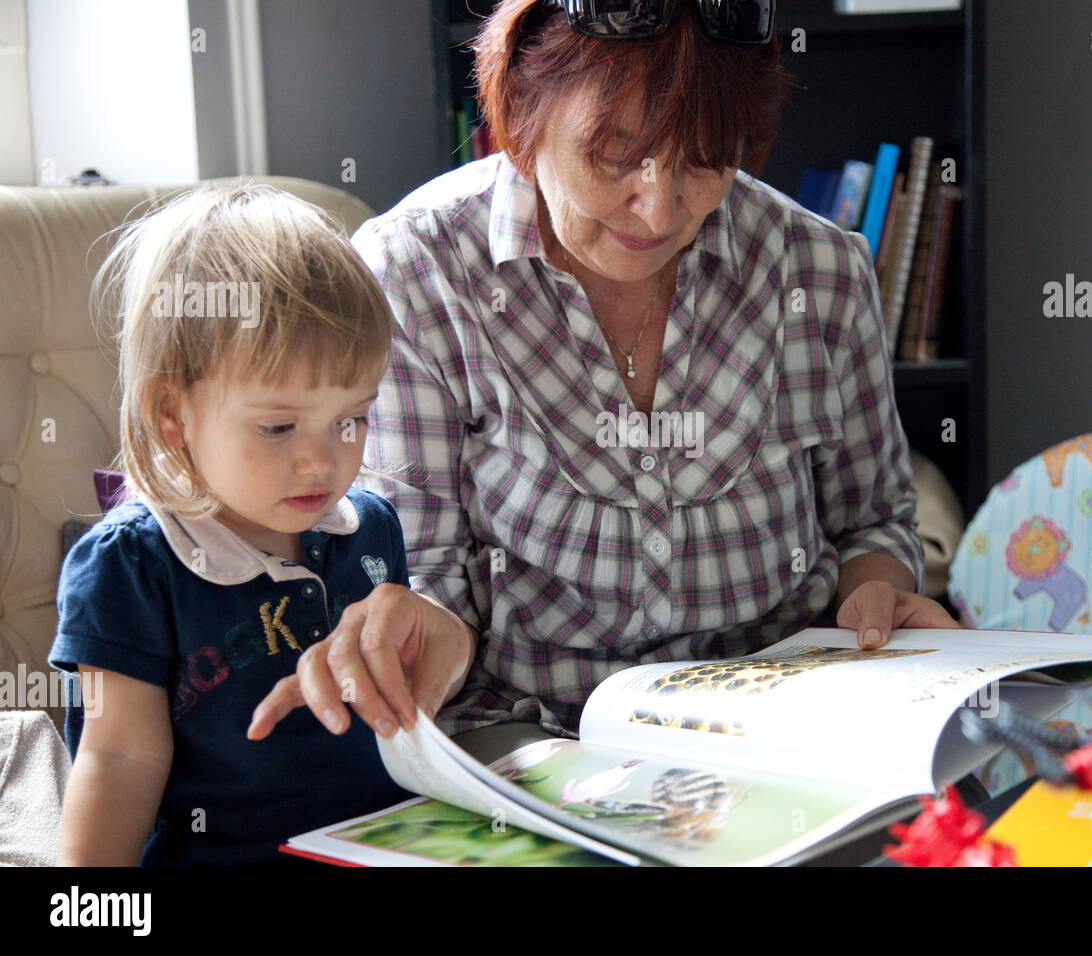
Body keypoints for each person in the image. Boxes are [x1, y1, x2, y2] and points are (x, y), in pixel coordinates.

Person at [249, 0, 961, 758]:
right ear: (521, 111)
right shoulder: (417, 272)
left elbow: (873, 519)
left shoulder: (819, 269)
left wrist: (873, 602)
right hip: (529, 736)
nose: (659, 209)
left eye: (704, 160)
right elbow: (431, 577)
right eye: (615, 154)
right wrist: (421, 637)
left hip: (781, 728)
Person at [49, 184, 415, 864]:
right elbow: (120, 759)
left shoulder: (372, 532)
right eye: (277, 427)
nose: (323, 460)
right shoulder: (132, 566)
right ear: (172, 414)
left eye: (352, 419)